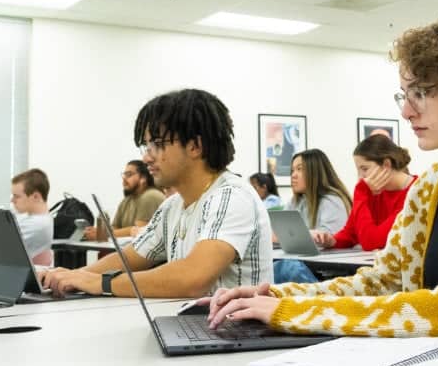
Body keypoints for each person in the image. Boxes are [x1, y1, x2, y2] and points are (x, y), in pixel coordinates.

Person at [204, 14, 438, 349]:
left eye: (421, 92)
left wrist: (296, 311)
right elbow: (384, 282)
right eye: (404, 95)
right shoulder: (431, 185)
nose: (406, 111)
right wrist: (275, 295)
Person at [41, 89, 272, 298]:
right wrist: (71, 277)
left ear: (195, 146)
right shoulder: (172, 206)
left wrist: (100, 282)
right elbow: (130, 258)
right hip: (193, 327)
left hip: (235, 335)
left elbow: (193, 278)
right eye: (147, 146)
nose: (147, 157)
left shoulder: (231, 196)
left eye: (158, 145)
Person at [310, 134, 417, 251]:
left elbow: (373, 242)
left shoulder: (415, 192)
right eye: (358, 170)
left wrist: (360, 192)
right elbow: (350, 233)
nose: (361, 177)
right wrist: (331, 240)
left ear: (386, 164)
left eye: (365, 169)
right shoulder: (373, 191)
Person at [272, 149, 352, 283]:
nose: (293, 175)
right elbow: (281, 234)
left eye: (299, 169)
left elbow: (330, 240)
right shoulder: (296, 201)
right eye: (292, 170)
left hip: (327, 271)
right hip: (306, 262)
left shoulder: (332, 200)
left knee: (286, 268)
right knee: (274, 267)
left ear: (316, 172)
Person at [84, 160, 164, 240]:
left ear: (143, 178)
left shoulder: (150, 196)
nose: (124, 179)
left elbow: (138, 231)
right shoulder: (127, 200)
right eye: (124, 175)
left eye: (129, 175)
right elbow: (114, 228)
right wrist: (99, 232)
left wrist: (103, 233)